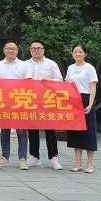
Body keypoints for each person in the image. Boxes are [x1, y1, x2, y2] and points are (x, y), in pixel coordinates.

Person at [0, 40, 32, 170]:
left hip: (20, 102)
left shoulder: (24, 65)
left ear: (17, 50)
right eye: (8, 48)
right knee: (4, 131)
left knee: (22, 131)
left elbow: (29, 83)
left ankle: (23, 158)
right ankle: (5, 157)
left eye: (13, 49)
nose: (11, 51)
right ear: (3, 50)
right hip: (4, 103)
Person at [25, 39, 64, 170]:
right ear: (30, 50)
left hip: (47, 100)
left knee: (50, 129)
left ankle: (53, 157)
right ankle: (34, 156)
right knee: (32, 129)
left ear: (43, 50)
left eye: (39, 48)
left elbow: (59, 79)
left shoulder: (51, 64)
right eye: (33, 48)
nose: (36, 51)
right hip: (31, 100)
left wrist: (49, 81)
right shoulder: (25, 65)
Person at [65, 44, 98, 173]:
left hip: (85, 99)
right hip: (73, 101)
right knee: (75, 132)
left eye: (80, 52)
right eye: (75, 52)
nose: (78, 54)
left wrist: (90, 104)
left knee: (89, 131)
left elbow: (93, 87)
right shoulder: (70, 68)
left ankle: (90, 164)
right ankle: (77, 163)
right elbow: (66, 84)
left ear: (85, 54)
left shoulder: (89, 68)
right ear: (72, 54)